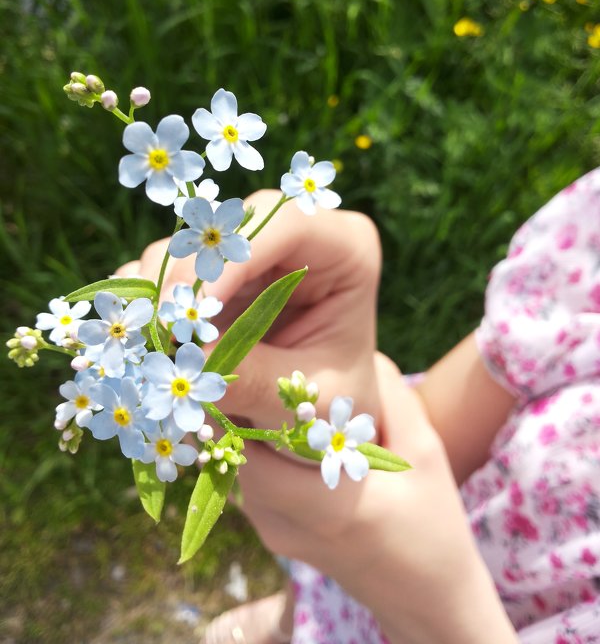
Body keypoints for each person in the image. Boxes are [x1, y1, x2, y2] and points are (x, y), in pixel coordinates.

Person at [118, 169, 600, 643]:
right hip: (360, 557)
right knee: (318, 585)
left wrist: (379, 568)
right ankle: (293, 621)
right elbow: (446, 413)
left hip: (409, 600)